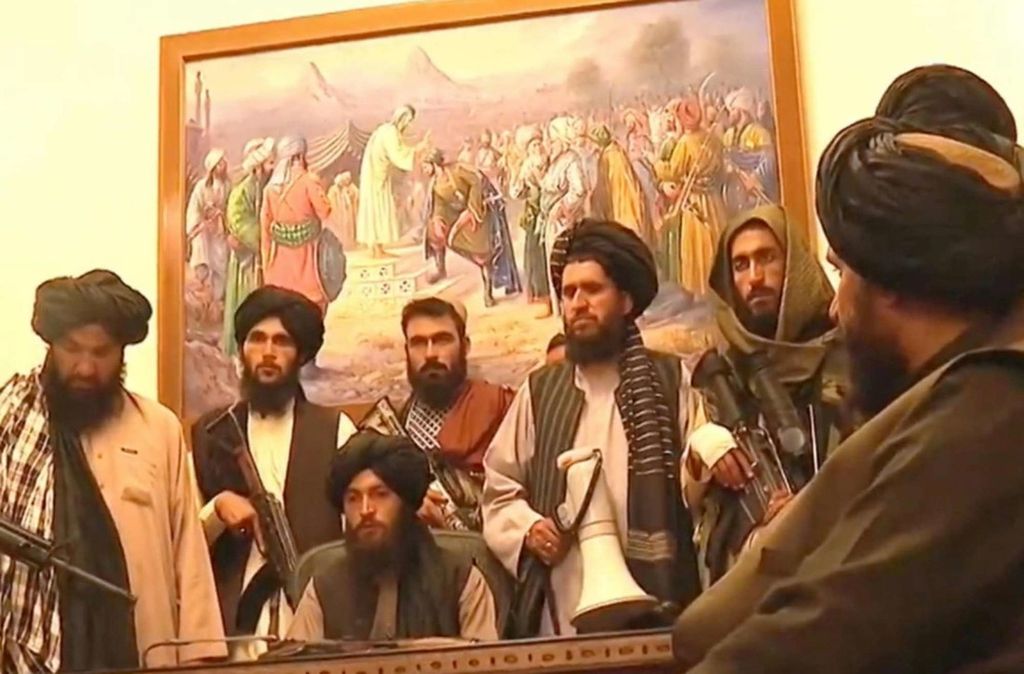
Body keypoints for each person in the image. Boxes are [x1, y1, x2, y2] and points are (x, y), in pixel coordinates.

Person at [673, 96, 1024, 673]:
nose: (836, 307)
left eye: (844, 272)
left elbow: (830, 629)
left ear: (894, 281)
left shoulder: (989, 406)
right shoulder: (964, 394)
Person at [482, 220, 700, 638]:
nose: (578, 303)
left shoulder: (671, 380)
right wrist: (528, 529)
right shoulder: (540, 391)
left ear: (625, 300)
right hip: (562, 612)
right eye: (568, 293)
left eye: (592, 290)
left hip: (661, 605)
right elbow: (499, 488)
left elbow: (698, 480)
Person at [0, 270, 225, 671]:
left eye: (101, 352)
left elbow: (189, 560)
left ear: (122, 352)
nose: (86, 367)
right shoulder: (11, 420)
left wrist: (200, 659)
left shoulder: (158, 428)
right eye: (72, 349)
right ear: (51, 346)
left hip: (143, 651)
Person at [683, 204, 850, 586]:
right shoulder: (722, 373)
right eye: (740, 265)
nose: (754, 278)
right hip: (747, 584)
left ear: (793, 263)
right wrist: (703, 450)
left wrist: (809, 510)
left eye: (767, 258)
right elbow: (692, 496)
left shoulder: (849, 354)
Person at [191, 286, 357, 657]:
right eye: (257, 339)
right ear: (242, 349)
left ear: (301, 354)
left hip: (316, 624)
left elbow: (356, 530)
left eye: (282, 341)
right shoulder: (210, 434)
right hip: (232, 630)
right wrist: (218, 509)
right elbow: (181, 538)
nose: (268, 352)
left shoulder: (335, 430)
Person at [288, 432, 499, 642]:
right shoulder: (323, 588)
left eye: (380, 494)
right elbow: (295, 658)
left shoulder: (461, 580)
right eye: (353, 498)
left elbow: (485, 658)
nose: (365, 510)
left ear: (406, 502)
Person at [397, 297, 515, 531]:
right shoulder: (395, 424)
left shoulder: (502, 407)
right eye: (418, 343)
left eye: (442, 340)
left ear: (465, 345)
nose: (430, 354)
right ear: (407, 351)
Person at [421, 150, 522, 307]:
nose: (424, 170)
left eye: (425, 166)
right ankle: (440, 267)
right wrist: (438, 218)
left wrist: (472, 210)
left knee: (483, 253)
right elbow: (439, 203)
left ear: (434, 163)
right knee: (433, 231)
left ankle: (488, 292)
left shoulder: (458, 170)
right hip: (459, 215)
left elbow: (477, 181)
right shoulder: (435, 183)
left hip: (481, 210)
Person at [655, 99, 727, 295]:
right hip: (714, 202)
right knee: (715, 238)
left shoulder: (685, 143)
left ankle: (701, 290)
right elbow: (721, 171)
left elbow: (673, 172)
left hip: (695, 202)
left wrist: (658, 165)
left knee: (698, 246)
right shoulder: (713, 140)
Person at [260, 136, 333, 312]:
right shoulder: (308, 181)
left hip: (280, 266)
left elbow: (265, 229)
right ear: (299, 157)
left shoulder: (270, 189)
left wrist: (267, 266)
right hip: (308, 262)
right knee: (311, 308)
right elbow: (325, 211)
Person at [222, 137, 275, 356]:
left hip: (264, 255)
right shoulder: (242, 191)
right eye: (269, 163)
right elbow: (238, 220)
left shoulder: (268, 187)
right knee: (247, 301)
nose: (272, 167)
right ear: (258, 165)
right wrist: (261, 238)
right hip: (247, 259)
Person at [356, 105, 430, 258]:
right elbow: (399, 155)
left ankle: (377, 248)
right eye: (408, 121)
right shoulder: (390, 133)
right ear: (402, 118)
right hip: (377, 180)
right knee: (377, 210)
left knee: (376, 210)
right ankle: (375, 250)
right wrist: (419, 148)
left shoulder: (385, 130)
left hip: (376, 177)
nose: (408, 125)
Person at [538, 116, 589, 317]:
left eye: (553, 140)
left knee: (566, 265)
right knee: (554, 265)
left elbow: (579, 189)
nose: (549, 143)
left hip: (564, 222)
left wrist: (561, 206)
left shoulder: (571, 160)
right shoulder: (555, 161)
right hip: (552, 223)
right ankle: (559, 309)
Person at [509, 125, 551, 311]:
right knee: (535, 254)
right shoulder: (527, 166)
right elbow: (517, 193)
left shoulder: (550, 160)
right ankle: (541, 294)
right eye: (534, 145)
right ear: (528, 150)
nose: (538, 147)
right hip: (534, 214)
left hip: (551, 209)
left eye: (539, 143)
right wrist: (518, 183)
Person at [590, 124, 651, 245]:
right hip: (626, 201)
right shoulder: (617, 151)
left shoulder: (608, 156)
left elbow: (605, 185)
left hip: (620, 204)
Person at [187, 148, 230, 301]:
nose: (222, 167)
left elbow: (229, 208)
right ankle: (206, 298)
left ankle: (218, 298)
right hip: (205, 231)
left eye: (223, 163)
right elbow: (194, 209)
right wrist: (201, 222)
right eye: (219, 164)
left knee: (221, 263)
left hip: (220, 230)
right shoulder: (201, 187)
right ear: (213, 167)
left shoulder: (227, 185)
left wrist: (221, 216)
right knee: (204, 263)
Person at [326, 171, 359, 249]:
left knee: (348, 226)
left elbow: (354, 196)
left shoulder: (348, 188)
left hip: (347, 211)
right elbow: (331, 200)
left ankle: (350, 243)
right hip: (338, 211)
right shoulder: (333, 190)